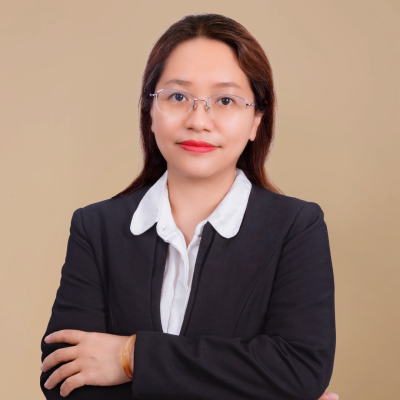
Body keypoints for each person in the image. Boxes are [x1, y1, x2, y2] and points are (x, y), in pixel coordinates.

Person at [40, 13, 338, 400]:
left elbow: (300, 369)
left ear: (256, 120)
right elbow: (64, 379)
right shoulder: (96, 227)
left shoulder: (295, 227)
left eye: (225, 100)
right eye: (178, 97)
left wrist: (132, 357)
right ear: (150, 111)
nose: (199, 121)